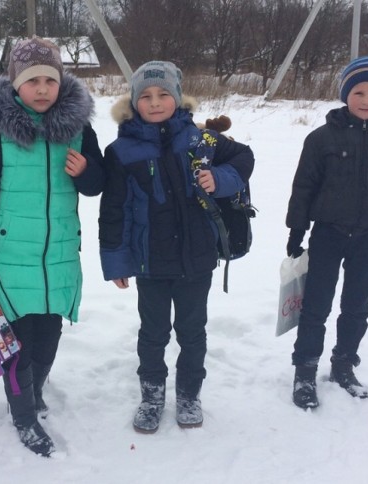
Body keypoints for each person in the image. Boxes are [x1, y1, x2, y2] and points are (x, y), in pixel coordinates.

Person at [0, 36, 104, 457]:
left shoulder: (79, 129)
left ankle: (34, 391)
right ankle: (24, 416)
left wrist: (87, 171)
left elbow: (98, 185)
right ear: (16, 84)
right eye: (32, 81)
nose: (42, 89)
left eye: (49, 80)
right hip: (6, 255)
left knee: (48, 340)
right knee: (15, 347)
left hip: (57, 256)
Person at [99, 61, 254, 433]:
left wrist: (220, 178)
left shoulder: (201, 139)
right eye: (146, 96)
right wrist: (118, 262)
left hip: (197, 259)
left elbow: (244, 157)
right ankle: (152, 397)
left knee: (192, 331)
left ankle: (188, 394)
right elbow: (113, 210)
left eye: (164, 94)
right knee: (152, 334)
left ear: (178, 98)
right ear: (134, 103)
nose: (155, 102)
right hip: (150, 264)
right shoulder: (121, 151)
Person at [286, 56, 368, 410]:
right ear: (345, 94)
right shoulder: (321, 138)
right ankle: (305, 370)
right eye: (358, 91)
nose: (367, 99)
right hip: (328, 233)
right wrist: (297, 230)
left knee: (356, 306)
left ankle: (344, 365)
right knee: (316, 306)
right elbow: (304, 187)